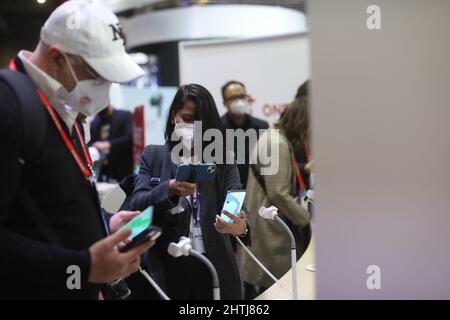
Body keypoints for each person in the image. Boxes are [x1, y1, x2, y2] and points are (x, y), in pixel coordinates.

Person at [0, 0, 153, 299]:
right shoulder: (11, 109)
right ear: (57, 58)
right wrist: (83, 267)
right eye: (97, 75)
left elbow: (46, 208)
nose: (104, 87)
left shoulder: (62, 107)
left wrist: (104, 227)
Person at [129, 84, 251, 299]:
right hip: (169, 263)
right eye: (185, 118)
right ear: (173, 117)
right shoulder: (155, 156)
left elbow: (236, 198)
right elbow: (136, 205)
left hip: (216, 264)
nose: (192, 126)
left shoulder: (223, 159)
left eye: (198, 121)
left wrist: (241, 225)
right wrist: (168, 190)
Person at [241, 95, 312, 299]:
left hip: (265, 230)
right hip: (270, 235)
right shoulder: (277, 144)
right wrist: (305, 218)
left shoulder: (274, 137)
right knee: (273, 291)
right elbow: (278, 193)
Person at [220, 81, 269, 187]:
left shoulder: (261, 126)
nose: (239, 101)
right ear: (225, 103)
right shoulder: (217, 129)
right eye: (233, 97)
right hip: (228, 191)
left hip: (256, 191)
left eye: (242, 96)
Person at [89, 103, 134, 182]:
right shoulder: (96, 121)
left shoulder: (125, 116)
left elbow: (129, 137)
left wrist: (109, 144)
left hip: (123, 166)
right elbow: (91, 141)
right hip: (102, 167)